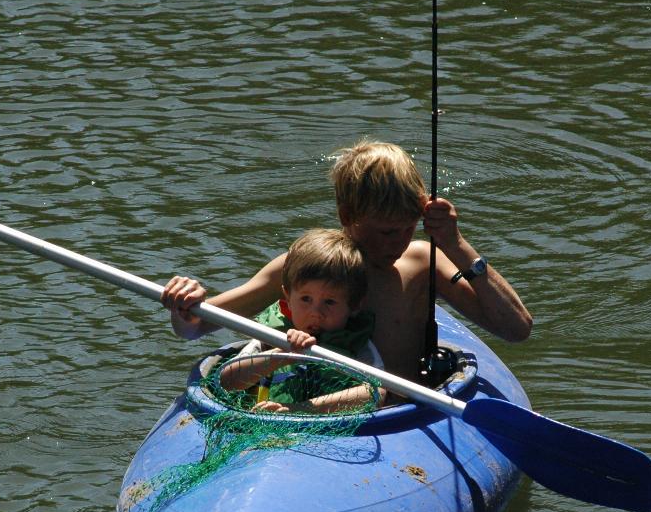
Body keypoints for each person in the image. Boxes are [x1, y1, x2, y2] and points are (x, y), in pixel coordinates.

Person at [162, 139, 532, 383]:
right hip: (310, 411)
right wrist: (185, 304)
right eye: (385, 232)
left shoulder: (423, 262)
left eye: (407, 228)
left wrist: (457, 245)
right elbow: (195, 327)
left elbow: (516, 330)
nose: (399, 242)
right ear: (346, 215)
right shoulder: (312, 266)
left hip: (395, 416)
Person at [188, 228, 377, 413]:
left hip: (325, 428)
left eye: (330, 302)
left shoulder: (359, 345)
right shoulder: (271, 339)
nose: (316, 313)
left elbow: (377, 393)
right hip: (260, 425)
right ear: (288, 298)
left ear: (353, 306)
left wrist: (298, 410)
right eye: (305, 299)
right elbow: (226, 383)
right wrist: (283, 354)